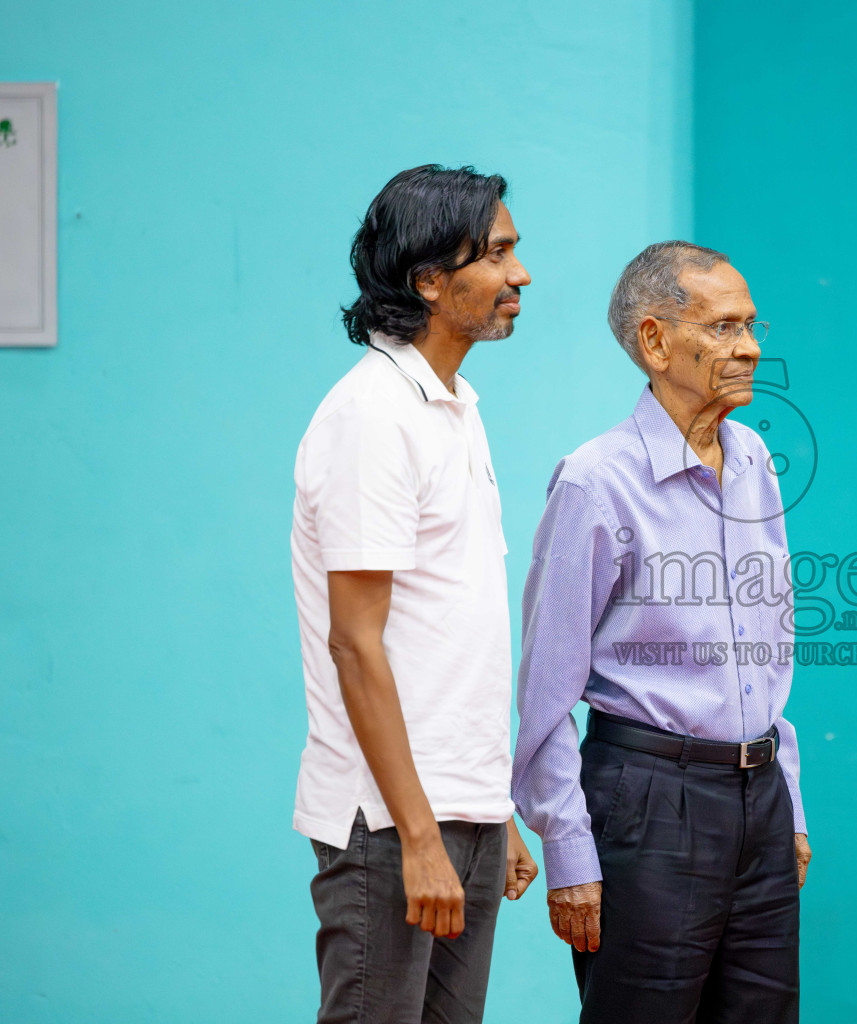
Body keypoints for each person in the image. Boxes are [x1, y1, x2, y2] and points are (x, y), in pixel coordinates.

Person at [513, 241, 811, 1023]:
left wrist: (791, 799)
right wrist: (568, 848)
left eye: (750, 325)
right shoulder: (595, 480)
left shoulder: (754, 460)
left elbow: (768, 649)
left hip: (759, 798)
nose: (748, 346)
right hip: (648, 802)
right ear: (654, 341)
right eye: (721, 327)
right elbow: (547, 685)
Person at [290, 164, 539, 1024]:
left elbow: (449, 633)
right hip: (390, 826)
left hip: (456, 812)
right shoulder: (373, 415)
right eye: (499, 254)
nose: (521, 275)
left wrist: (490, 809)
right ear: (430, 280)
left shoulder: (454, 407)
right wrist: (421, 837)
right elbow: (355, 642)